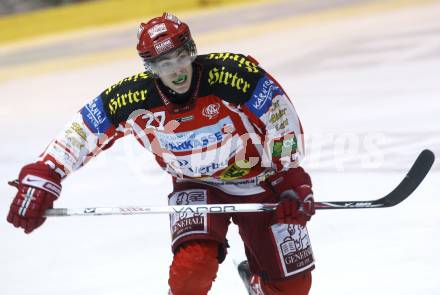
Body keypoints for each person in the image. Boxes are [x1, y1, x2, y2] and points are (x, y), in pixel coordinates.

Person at [7, 12, 316, 295]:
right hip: (196, 184)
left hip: (260, 180)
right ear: (150, 67)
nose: (177, 69)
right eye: (164, 63)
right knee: (191, 271)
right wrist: (47, 171)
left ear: (192, 51)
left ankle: (257, 283)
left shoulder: (233, 75)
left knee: (293, 288)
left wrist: (287, 177)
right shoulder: (133, 97)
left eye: (181, 57)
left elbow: (281, 118)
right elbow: (86, 128)